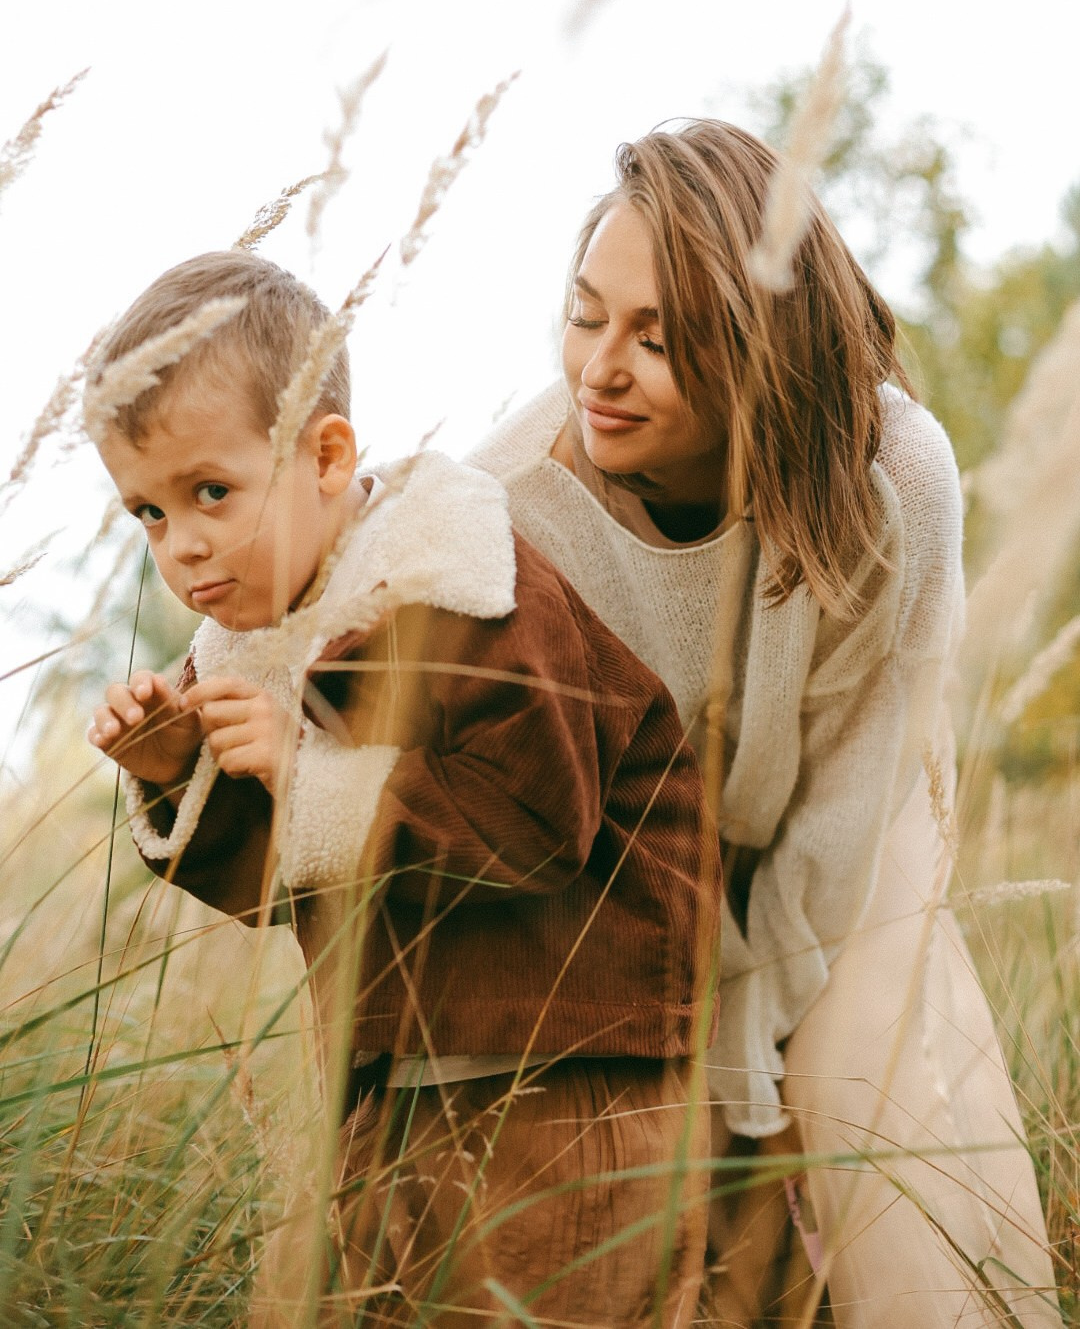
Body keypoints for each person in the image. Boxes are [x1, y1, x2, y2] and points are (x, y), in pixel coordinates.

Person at [471, 120, 1062, 1328]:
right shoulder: (518, 497)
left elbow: (854, 794)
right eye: (588, 318)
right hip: (653, 856)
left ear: (755, 347)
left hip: (854, 807)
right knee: (677, 1169)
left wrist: (753, 1016)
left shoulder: (893, 473)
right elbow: (352, 596)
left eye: (660, 338)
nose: (601, 370)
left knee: (858, 1089)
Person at [85, 251, 721, 1328]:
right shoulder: (246, 650)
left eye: (211, 492)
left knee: (549, 1305)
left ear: (327, 455)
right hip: (394, 1081)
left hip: (570, 1070)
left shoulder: (458, 584)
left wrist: (305, 768)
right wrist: (181, 773)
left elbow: (537, 825)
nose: (183, 545)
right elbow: (286, 882)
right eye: (147, 513)